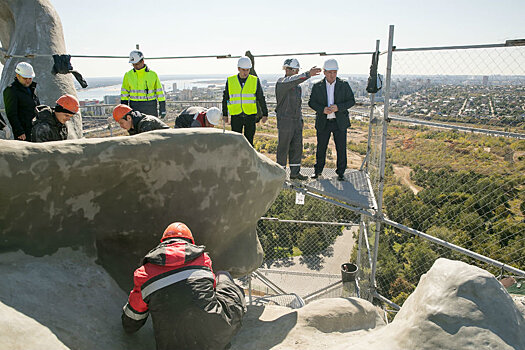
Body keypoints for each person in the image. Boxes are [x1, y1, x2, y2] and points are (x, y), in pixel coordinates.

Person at [122, 222, 246, 350]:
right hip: (214, 337)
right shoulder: (204, 259)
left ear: (163, 243)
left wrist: (127, 326)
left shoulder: (144, 273)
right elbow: (212, 290)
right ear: (190, 242)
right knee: (222, 275)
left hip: (171, 345)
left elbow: (133, 318)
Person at [308, 59, 355, 181]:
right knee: (321, 148)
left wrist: (338, 107)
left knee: (341, 148)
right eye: (329, 72)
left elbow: (351, 101)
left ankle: (341, 173)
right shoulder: (317, 86)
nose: (332, 75)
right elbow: (311, 102)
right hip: (324, 122)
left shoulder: (344, 85)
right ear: (324, 72)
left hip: (339, 123)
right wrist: (322, 109)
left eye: (334, 72)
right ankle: (318, 171)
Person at [275, 58, 321, 180]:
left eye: (295, 70)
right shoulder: (282, 83)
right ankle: (280, 174)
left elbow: (298, 104)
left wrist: (300, 119)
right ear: (287, 69)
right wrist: (307, 74)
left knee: (297, 147)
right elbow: (292, 80)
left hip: (296, 120)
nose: (294, 72)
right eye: (292, 70)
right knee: (283, 148)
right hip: (285, 121)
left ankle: (295, 173)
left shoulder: (298, 88)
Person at [222, 56, 268, 146]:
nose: (245, 72)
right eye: (243, 70)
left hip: (250, 116)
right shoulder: (231, 81)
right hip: (236, 116)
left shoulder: (254, 81)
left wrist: (265, 113)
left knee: (249, 142)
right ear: (238, 69)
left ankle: (248, 160)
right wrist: (225, 114)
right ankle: (236, 159)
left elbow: (261, 98)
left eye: (247, 70)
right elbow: (225, 98)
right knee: (235, 142)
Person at [120, 50, 166, 118]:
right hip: (134, 107)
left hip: (150, 107)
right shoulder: (128, 75)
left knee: (152, 128)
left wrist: (162, 108)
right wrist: (124, 109)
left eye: (137, 64)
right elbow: (124, 94)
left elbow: (160, 93)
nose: (135, 66)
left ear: (143, 61)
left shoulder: (153, 74)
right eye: (133, 64)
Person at [3, 62, 40, 141]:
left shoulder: (32, 89)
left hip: (35, 130)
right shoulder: (11, 91)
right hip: (23, 133)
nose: (28, 81)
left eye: (30, 78)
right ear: (17, 76)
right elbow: (11, 114)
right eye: (25, 78)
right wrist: (19, 132)